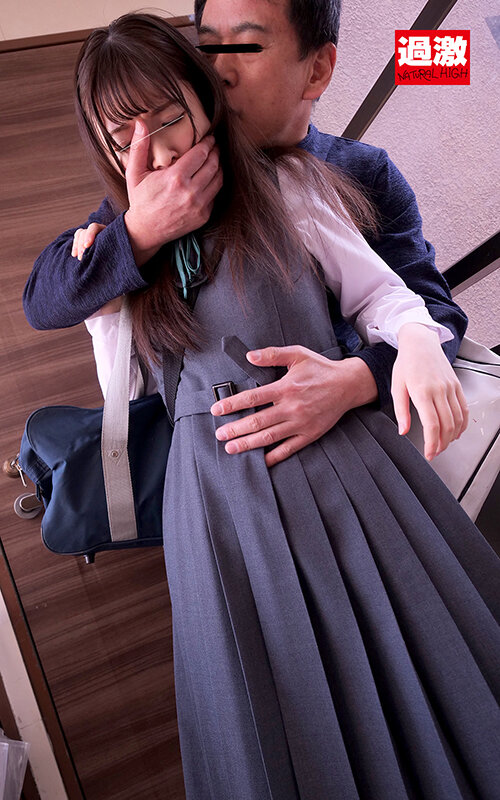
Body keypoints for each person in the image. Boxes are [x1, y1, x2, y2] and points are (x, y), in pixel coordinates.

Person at [23, 14, 500, 800]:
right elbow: (64, 318)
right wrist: (132, 239)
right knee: (269, 706)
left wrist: (393, 353)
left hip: (337, 457)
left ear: (316, 68)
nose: (152, 150)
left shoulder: (307, 178)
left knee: (413, 661)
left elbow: (401, 298)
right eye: (122, 135)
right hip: (214, 498)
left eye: (167, 117)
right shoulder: (120, 237)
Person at [24, 0, 469, 468]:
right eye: (207, 48)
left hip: (338, 449)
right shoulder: (163, 187)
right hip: (208, 460)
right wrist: (140, 231)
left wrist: (353, 380)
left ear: (317, 70)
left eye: (248, 46)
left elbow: (430, 312)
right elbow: (44, 298)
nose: (219, 71)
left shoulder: (359, 172)